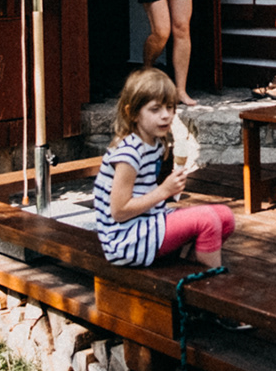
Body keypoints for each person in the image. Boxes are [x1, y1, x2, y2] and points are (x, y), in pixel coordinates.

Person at [94, 68, 236, 268]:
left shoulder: (154, 143)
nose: (166, 115)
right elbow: (119, 211)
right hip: (126, 240)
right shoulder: (129, 154)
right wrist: (164, 191)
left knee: (225, 217)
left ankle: (195, 272)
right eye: (155, 109)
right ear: (132, 113)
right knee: (207, 220)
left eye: (170, 107)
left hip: (147, 223)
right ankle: (211, 281)